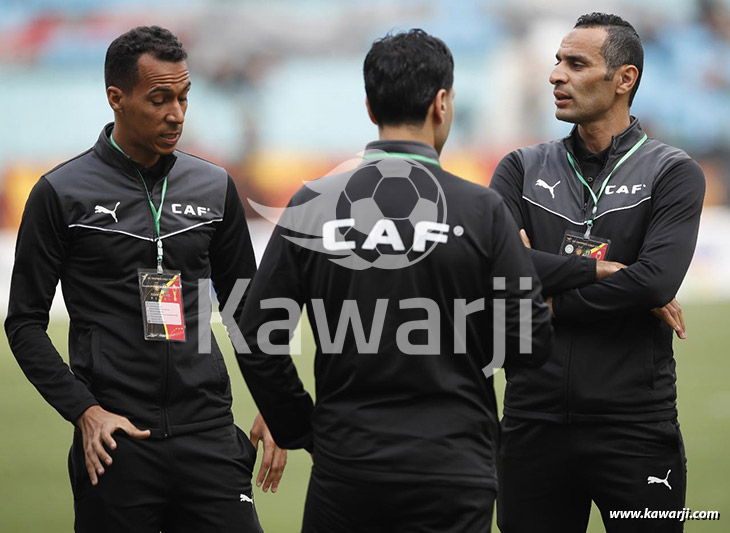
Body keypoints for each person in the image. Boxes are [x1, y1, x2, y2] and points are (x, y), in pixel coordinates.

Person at [234, 29, 552, 532]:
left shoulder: (310, 206)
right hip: (454, 468)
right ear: (442, 103)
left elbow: (255, 336)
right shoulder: (482, 211)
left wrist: (303, 429)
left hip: (347, 467)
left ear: (368, 105)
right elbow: (529, 344)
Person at [4, 25, 285, 533]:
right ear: (116, 98)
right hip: (117, 443)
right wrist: (85, 411)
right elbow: (24, 323)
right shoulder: (60, 194)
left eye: (183, 97)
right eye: (159, 99)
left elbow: (245, 305)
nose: (175, 113)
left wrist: (276, 399)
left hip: (209, 434)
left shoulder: (214, 185)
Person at [489, 13, 705, 533]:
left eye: (575, 63)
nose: (555, 75)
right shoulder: (519, 168)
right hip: (531, 424)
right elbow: (494, 273)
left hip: (635, 427)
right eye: (557, 62)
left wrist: (551, 294)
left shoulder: (673, 172)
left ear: (623, 79)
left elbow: (655, 282)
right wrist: (603, 272)